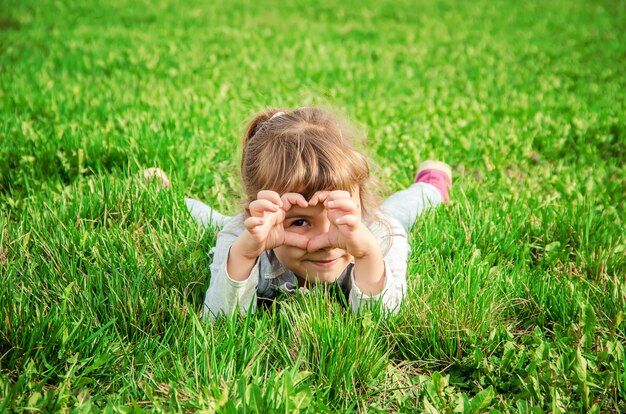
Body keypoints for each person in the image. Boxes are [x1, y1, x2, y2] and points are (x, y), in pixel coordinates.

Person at [146, 107, 451, 322]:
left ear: (358, 200)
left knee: (400, 209)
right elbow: (220, 323)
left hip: (375, 223)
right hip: (245, 231)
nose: (324, 240)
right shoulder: (245, 238)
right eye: (300, 221)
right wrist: (244, 254)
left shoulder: (380, 237)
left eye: (338, 212)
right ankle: (165, 192)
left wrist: (367, 254)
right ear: (261, 212)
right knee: (218, 224)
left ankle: (431, 185)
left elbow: (383, 321)